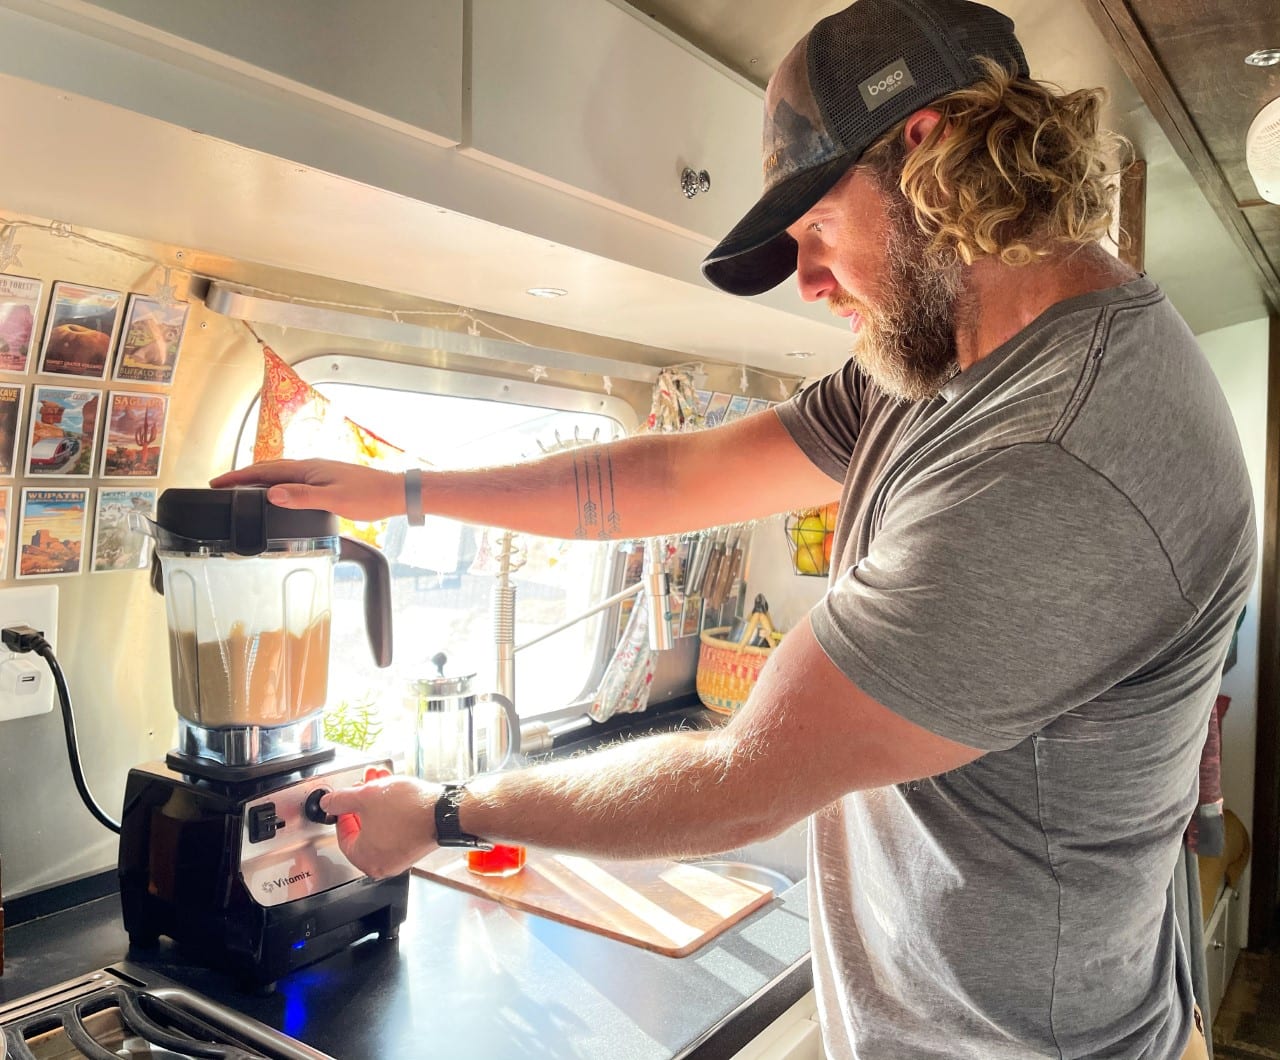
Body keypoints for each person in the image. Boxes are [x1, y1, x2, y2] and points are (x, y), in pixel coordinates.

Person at [213, 1, 1253, 1056]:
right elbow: (673, 472)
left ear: (926, 149)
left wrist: (440, 815)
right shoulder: (945, 359)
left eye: (813, 228)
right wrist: (405, 492)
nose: (806, 280)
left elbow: (736, 778)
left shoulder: (1058, 453)